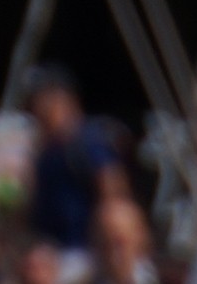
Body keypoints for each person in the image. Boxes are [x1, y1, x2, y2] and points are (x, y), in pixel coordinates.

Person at [23, 70, 127, 254]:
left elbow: (111, 188)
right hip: (51, 251)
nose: (40, 109)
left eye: (46, 99)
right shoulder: (44, 151)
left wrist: (108, 241)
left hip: (85, 250)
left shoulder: (88, 140)